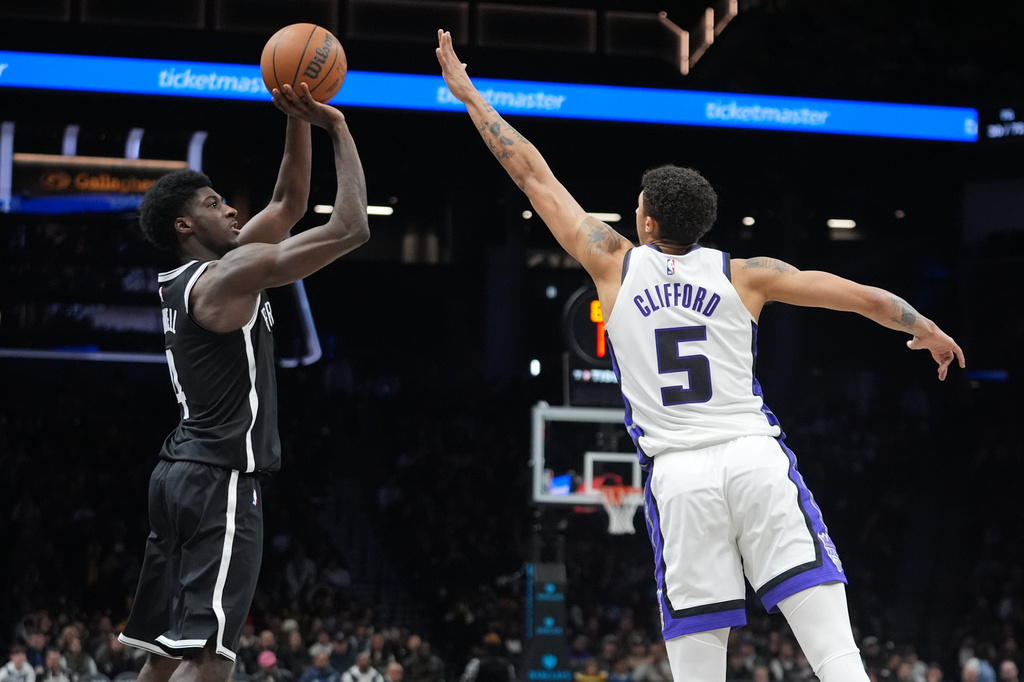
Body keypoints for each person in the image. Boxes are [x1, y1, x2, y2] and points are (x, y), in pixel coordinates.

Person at [435, 28, 965, 682]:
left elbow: (529, 171)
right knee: (836, 655)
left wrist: (468, 95)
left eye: (637, 207)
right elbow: (856, 297)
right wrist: (926, 327)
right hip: (754, 460)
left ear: (649, 222)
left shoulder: (612, 262)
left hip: (680, 476)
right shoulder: (748, 274)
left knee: (699, 669)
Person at [116, 81, 369, 682]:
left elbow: (289, 201)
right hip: (218, 478)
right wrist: (337, 127)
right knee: (211, 661)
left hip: (178, 474)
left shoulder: (195, 277)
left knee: (164, 655)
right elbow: (351, 227)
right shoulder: (226, 277)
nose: (231, 209)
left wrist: (295, 117)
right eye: (214, 203)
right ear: (185, 224)